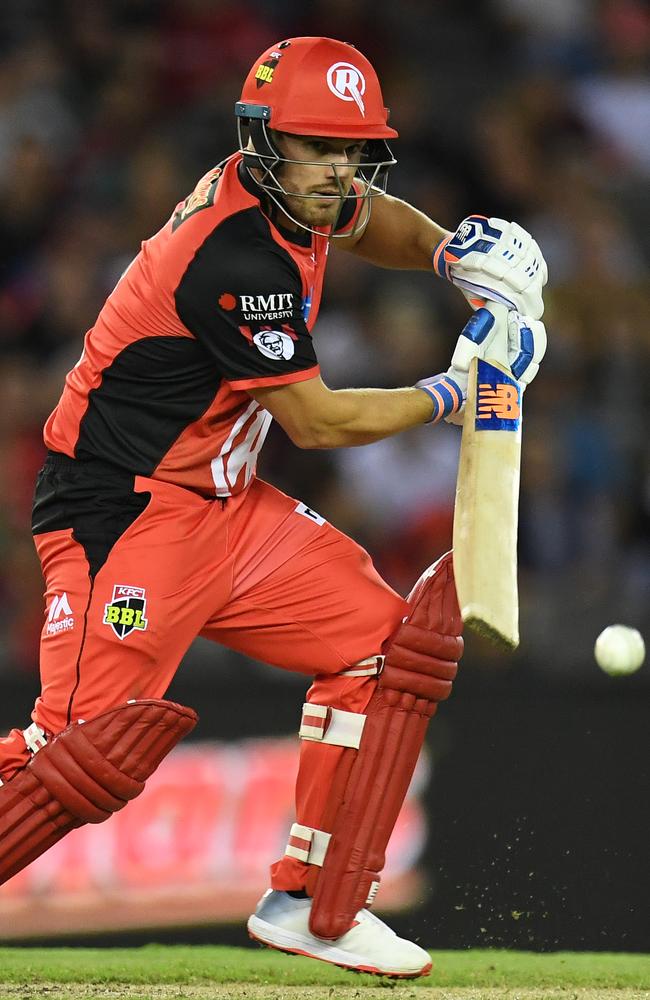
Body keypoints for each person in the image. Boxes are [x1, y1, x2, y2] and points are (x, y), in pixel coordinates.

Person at [0, 37, 547, 977]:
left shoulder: (292, 195)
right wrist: (458, 393)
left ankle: (316, 906)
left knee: (389, 651)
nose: (337, 169)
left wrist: (452, 255)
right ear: (264, 142)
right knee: (81, 758)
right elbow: (321, 423)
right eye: (315, 146)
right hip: (123, 513)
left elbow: (366, 220)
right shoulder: (234, 255)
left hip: (224, 504)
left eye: (350, 148)